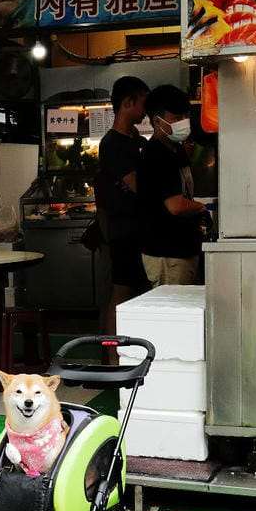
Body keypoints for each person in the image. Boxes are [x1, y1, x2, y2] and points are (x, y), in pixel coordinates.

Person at [95, 75, 151, 343]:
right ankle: (112, 356)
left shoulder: (135, 140)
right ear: (128, 103)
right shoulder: (112, 144)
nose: (146, 111)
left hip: (137, 230)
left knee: (135, 293)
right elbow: (139, 185)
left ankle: (129, 352)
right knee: (120, 294)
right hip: (123, 231)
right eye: (144, 104)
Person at [136, 85, 208, 287]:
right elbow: (175, 206)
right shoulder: (155, 155)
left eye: (185, 116)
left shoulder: (176, 149)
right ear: (157, 121)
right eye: (176, 118)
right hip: (166, 255)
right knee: (172, 313)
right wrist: (203, 209)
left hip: (183, 250)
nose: (183, 122)